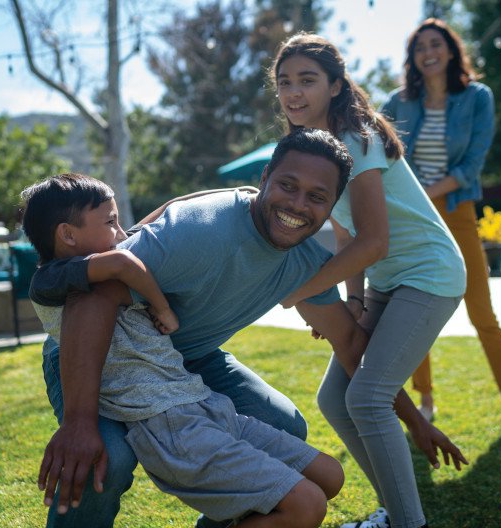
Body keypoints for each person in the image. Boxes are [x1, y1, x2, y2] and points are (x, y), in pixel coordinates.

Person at [38, 129, 466, 528]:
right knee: (104, 460)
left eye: (317, 196)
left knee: (283, 424)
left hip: (186, 362)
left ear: (334, 204)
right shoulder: (197, 230)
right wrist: (78, 421)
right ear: (266, 178)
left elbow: (351, 343)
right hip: (98, 352)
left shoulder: (306, 266)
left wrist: (415, 422)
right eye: (287, 185)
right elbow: (88, 296)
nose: (298, 204)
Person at [21, 171, 345, 528]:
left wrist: (242, 196)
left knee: (315, 460)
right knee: (105, 458)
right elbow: (120, 266)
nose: (123, 234)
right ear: (67, 235)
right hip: (150, 406)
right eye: (111, 222)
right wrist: (162, 308)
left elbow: (165, 213)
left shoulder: (109, 250)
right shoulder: (52, 279)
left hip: (191, 395)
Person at [272, 33, 468, 528]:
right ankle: (398, 511)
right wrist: (352, 301)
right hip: (385, 281)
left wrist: (299, 291)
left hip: (428, 273)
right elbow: (347, 235)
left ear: (336, 86)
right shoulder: (317, 148)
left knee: (366, 397)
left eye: (307, 80)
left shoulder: (356, 138)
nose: (294, 93)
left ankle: (408, 524)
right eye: (284, 82)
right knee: (336, 399)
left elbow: (374, 241)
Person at [381, 18, 501, 439]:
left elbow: (471, 164)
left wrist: (426, 193)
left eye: (436, 43)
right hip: (411, 215)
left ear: (451, 50)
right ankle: (424, 402)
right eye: (419, 45)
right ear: (413, 56)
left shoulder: (477, 97)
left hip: (456, 209)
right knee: (411, 309)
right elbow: (381, 154)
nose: (428, 52)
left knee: (482, 312)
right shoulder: (398, 102)